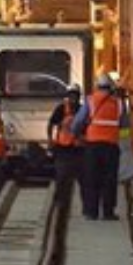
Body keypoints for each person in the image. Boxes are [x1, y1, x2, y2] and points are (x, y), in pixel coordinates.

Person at [70, 72, 130, 220]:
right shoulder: (119, 104)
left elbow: (77, 122)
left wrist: (77, 135)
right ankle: (108, 212)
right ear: (111, 87)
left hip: (92, 147)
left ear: (97, 86)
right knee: (109, 180)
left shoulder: (90, 101)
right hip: (111, 147)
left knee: (91, 178)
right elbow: (125, 125)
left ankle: (91, 212)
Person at [48, 83, 84, 215]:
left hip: (78, 149)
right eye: (71, 95)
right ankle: (59, 201)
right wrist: (51, 141)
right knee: (62, 176)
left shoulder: (82, 110)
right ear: (68, 96)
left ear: (78, 96)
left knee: (82, 178)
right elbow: (51, 124)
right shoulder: (61, 109)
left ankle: (85, 205)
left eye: (75, 95)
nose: (73, 98)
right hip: (62, 148)